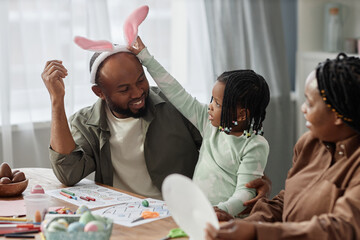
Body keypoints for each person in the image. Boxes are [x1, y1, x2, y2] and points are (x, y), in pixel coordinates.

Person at [205, 53, 360, 240]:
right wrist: (245, 224)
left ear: (338, 115)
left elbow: (342, 229)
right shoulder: (309, 144)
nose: (303, 108)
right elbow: (286, 201)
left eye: (310, 103)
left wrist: (257, 232)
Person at [128, 37, 270, 216]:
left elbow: (246, 192)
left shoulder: (255, 145)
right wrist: (145, 57)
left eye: (217, 104)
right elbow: (175, 91)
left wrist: (220, 211)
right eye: (212, 100)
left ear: (242, 114)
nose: (210, 106)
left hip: (228, 221)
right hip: (197, 213)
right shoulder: (208, 123)